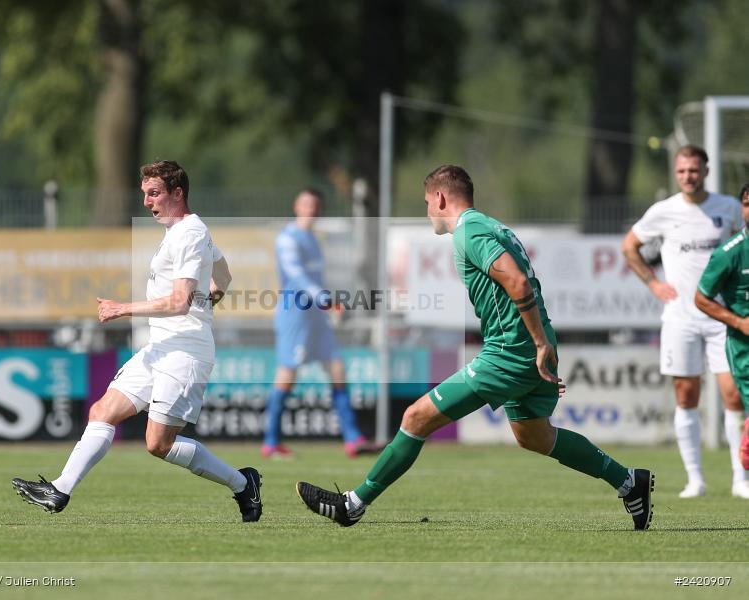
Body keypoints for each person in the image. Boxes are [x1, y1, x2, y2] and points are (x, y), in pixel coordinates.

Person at [297, 165, 654, 530]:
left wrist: (538, 343)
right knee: (534, 435)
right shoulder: (493, 226)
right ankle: (629, 482)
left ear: (439, 198)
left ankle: (352, 505)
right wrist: (543, 344)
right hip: (531, 346)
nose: (427, 212)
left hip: (510, 352)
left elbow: (517, 283)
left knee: (415, 418)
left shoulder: (469, 230)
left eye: (426, 203)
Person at [12, 160, 263, 522]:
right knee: (102, 412)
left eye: (154, 193)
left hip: (185, 352)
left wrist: (121, 309)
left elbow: (179, 303)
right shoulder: (185, 232)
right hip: (160, 348)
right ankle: (60, 490)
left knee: (158, 444)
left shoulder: (190, 234)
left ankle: (243, 484)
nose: (147, 201)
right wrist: (212, 295)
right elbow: (223, 273)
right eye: (144, 193)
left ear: (178, 193)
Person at [622, 145, 749, 499]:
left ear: (706, 171)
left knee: (734, 395)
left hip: (724, 318)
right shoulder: (664, 212)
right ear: (675, 173)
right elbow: (629, 246)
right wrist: (653, 283)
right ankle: (695, 479)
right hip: (681, 318)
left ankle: (742, 478)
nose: (687, 176)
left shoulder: (727, 208)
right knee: (686, 394)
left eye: (693, 170)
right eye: (681, 171)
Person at [264, 188, 381, 459]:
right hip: (295, 315)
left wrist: (326, 303)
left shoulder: (315, 240)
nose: (311, 209)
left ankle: (353, 439)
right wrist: (326, 300)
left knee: (337, 368)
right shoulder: (288, 238)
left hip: (316, 314)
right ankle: (271, 442)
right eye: (306, 203)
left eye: (315, 204)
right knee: (287, 374)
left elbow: (315, 279)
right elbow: (297, 276)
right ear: (296, 205)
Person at [695, 181, 749, 477]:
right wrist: (740, 322)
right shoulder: (729, 253)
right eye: (747, 203)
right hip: (744, 349)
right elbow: (701, 298)